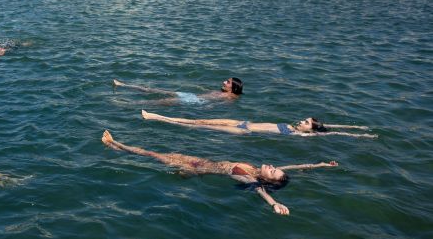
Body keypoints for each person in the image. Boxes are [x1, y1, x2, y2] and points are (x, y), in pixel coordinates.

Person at [101, 130, 339, 216]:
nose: (272, 166)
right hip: (201, 163)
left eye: (272, 171)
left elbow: (260, 192)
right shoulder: (257, 170)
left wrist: (274, 203)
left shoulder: (251, 178)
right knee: (162, 154)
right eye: (274, 167)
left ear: (267, 180)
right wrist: (319, 165)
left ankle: (114, 144)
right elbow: (293, 167)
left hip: (197, 168)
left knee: (152, 155)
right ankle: (117, 146)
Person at [140, 111, 377, 138]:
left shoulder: (304, 135)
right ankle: (158, 115)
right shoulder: (296, 128)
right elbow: (330, 125)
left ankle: (157, 118)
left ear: (310, 130)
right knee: (199, 120)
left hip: (242, 131)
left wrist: (359, 135)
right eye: (305, 119)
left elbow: (330, 132)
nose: (303, 121)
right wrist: (358, 126)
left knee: (196, 126)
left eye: (307, 122)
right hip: (243, 122)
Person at [113, 77, 243, 102]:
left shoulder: (229, 97)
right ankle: (123, 85)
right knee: (153, 90)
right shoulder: (224, 92)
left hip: (193, 101)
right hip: (191, 95)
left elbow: (216, 103)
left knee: (163, 101)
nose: (224, 82)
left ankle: (130, 104)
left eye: (228, 82)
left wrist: (209, 106)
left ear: (233, 87)